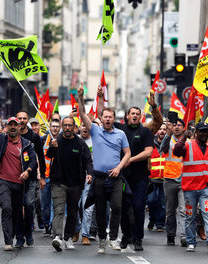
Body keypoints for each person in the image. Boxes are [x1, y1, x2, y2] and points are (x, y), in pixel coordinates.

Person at [77, 84, 131, 254]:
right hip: (99, 178)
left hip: (115, 178)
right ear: (102, 119)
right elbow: (82, 114)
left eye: (110, 117)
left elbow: (128, 153)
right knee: (100, 210)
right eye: (105, 117)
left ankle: (113, 238)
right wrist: (80, 97)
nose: (107, 119)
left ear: (114, 119)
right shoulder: (95, 131)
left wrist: (118, 168)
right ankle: (101, 240)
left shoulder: (120, 134)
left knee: (117, 207)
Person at [0, 105, 38, 251]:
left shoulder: (26, 144)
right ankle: (8, 241)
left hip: (20, 184)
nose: (13, 127)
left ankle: (20, 237)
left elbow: (33, 161)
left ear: (20, 127)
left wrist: (27, 171)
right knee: (6, 209)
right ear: (7, 127)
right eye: (10, 125)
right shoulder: (1, 139)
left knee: (18, 212)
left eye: (16, 125)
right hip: (4, 182)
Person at [173, 122, 208, 253]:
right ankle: (190, 242)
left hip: (206, 187)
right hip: (190, 188)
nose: (204, 134)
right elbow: (176, 151)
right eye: (201, 131)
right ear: (196, 133)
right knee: (190, 215)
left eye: (206, 131)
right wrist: (184, 137)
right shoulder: (187, 144)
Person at [47, 117, 93, 251]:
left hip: (75, 184)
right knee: (59, 210)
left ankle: (67, 238)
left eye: (70, 126)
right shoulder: (57, 141)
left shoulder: (80, 143)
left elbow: (88, 160)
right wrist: (52, 147)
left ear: (74, 127)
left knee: (73, 213)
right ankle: (57, 237)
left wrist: (89, 173)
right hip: (59, 183)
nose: (67, 128)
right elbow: (49, 155)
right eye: (65, 125)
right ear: (62, 126)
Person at [115, 105, 154, 251]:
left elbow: (148, 152)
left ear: (140, 117)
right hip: (123, 178)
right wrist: (100, 96)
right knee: (124, 208)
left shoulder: (145, 131)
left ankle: (138, 239)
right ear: (127, 116)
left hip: (140, 178)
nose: (135, 116)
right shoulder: (119, 130)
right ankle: (126, 236)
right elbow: (101, 115)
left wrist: (130, 160)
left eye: (138, 114)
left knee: (138, 207)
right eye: (132, 113)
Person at [16, 110, 46, 246]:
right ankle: (19, 236)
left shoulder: (34, 137)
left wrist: (43, 176)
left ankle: (28, 231)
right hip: (14, 178)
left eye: (24, 118)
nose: (21, 121)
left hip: (31, 177)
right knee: (16, 208)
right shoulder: (11, 135)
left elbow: (40, 156)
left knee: (29, 205)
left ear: (27, 121)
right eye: (19, 118)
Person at [159, 116, 187, 247]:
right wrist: (168, 133)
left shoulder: (188, 142)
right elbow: (162, 149)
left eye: (179, 125)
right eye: (174, 125)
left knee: (182, 209)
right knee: (170, 210)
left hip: (184, 179)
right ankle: (170, 235)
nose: (176, 127)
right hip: (170, 179)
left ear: (183, 128)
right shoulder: (168, 139)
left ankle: (184, 236)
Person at [40, 119, 61, 236]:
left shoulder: (63, 139)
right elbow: (39, 157)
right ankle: (46, 223)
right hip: (45, 176)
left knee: (55, 203)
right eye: (53, 126)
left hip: (57, 177)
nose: (55, 128)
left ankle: (53, 226)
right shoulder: (43, 139)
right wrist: (39, 173)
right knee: (44, 204)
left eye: (57, 126)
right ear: (49, 127)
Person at [147, 123, 167, 233]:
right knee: (151, 200)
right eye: (160, 129)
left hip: (164, 179)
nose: (162, 131)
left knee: (162, 203)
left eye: (164, 129)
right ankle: (152, 219)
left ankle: (160, 223)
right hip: (152, 179)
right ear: (157, 132)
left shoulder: (167, 145)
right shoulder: (151, 144)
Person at [77, 124, 94, 245]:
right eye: (82, 125)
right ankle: (75, 229)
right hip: (75, 178)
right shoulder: (75, 139)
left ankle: (85, 234)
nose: (85, 128)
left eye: (87, 125)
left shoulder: (95, 140)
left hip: (90, 177)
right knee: (75, 206)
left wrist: (91, 173)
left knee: (87, 207)